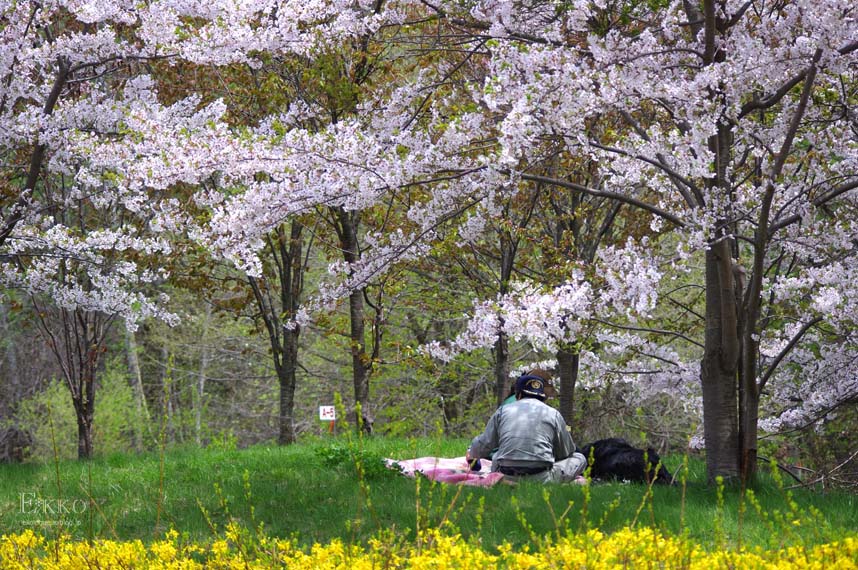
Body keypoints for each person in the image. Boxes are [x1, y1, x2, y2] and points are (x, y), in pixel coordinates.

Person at [466, 371, 586, 484]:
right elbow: (565, 453)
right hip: (541, 477)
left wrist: (472, 452)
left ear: (518, 395)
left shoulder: (503, 411)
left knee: (498, 456)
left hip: (506, 475)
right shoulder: (553, 414)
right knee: (579, 458)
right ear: (543, 397)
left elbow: (485, 444)